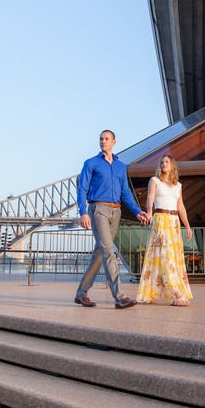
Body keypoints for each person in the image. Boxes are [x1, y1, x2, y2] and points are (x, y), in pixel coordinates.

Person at [74, 129, 148, 309]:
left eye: (106, 139)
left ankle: (81, 293)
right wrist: (83, 212)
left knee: (100, 253)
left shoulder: (121, 167)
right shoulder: (91, 163)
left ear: (114, 142)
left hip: (116, 211)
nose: (103, 141)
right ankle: (120, 297)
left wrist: (137, 211)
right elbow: (82, 188)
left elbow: (125, 192)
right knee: (108, 251)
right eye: (101, 138)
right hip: (98, 209)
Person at [136, 154, 193, 306]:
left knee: (173, 258)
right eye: (161, 162)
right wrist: (149, 212)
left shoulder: (178, 185)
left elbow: (181, 206)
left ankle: (152, 294)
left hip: (174, 223)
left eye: (167, 162)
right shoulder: (154, 181)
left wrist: (187, 226)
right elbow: (150, 197)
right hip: (160, 219)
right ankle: (176, 296)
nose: (164, 164)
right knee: (163, 257)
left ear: (172, 165)